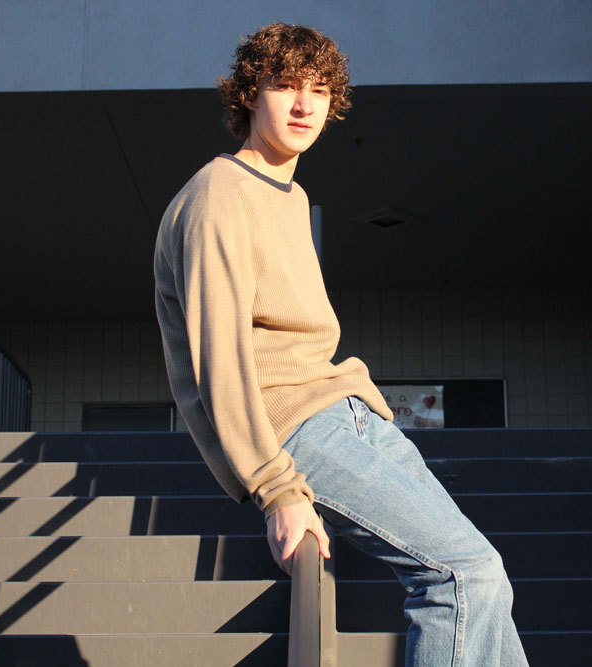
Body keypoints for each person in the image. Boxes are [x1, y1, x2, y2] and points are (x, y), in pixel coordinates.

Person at [153, 22, 529, 666]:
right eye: (285, 86)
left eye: (320, 91)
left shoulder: (290, 195)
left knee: (481, 572)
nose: (304, 106)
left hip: (350, 412)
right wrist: (275, 488)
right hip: (295, 426)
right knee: (461, 575)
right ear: (249, 93)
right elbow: (216, 361)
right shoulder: (218, 198)